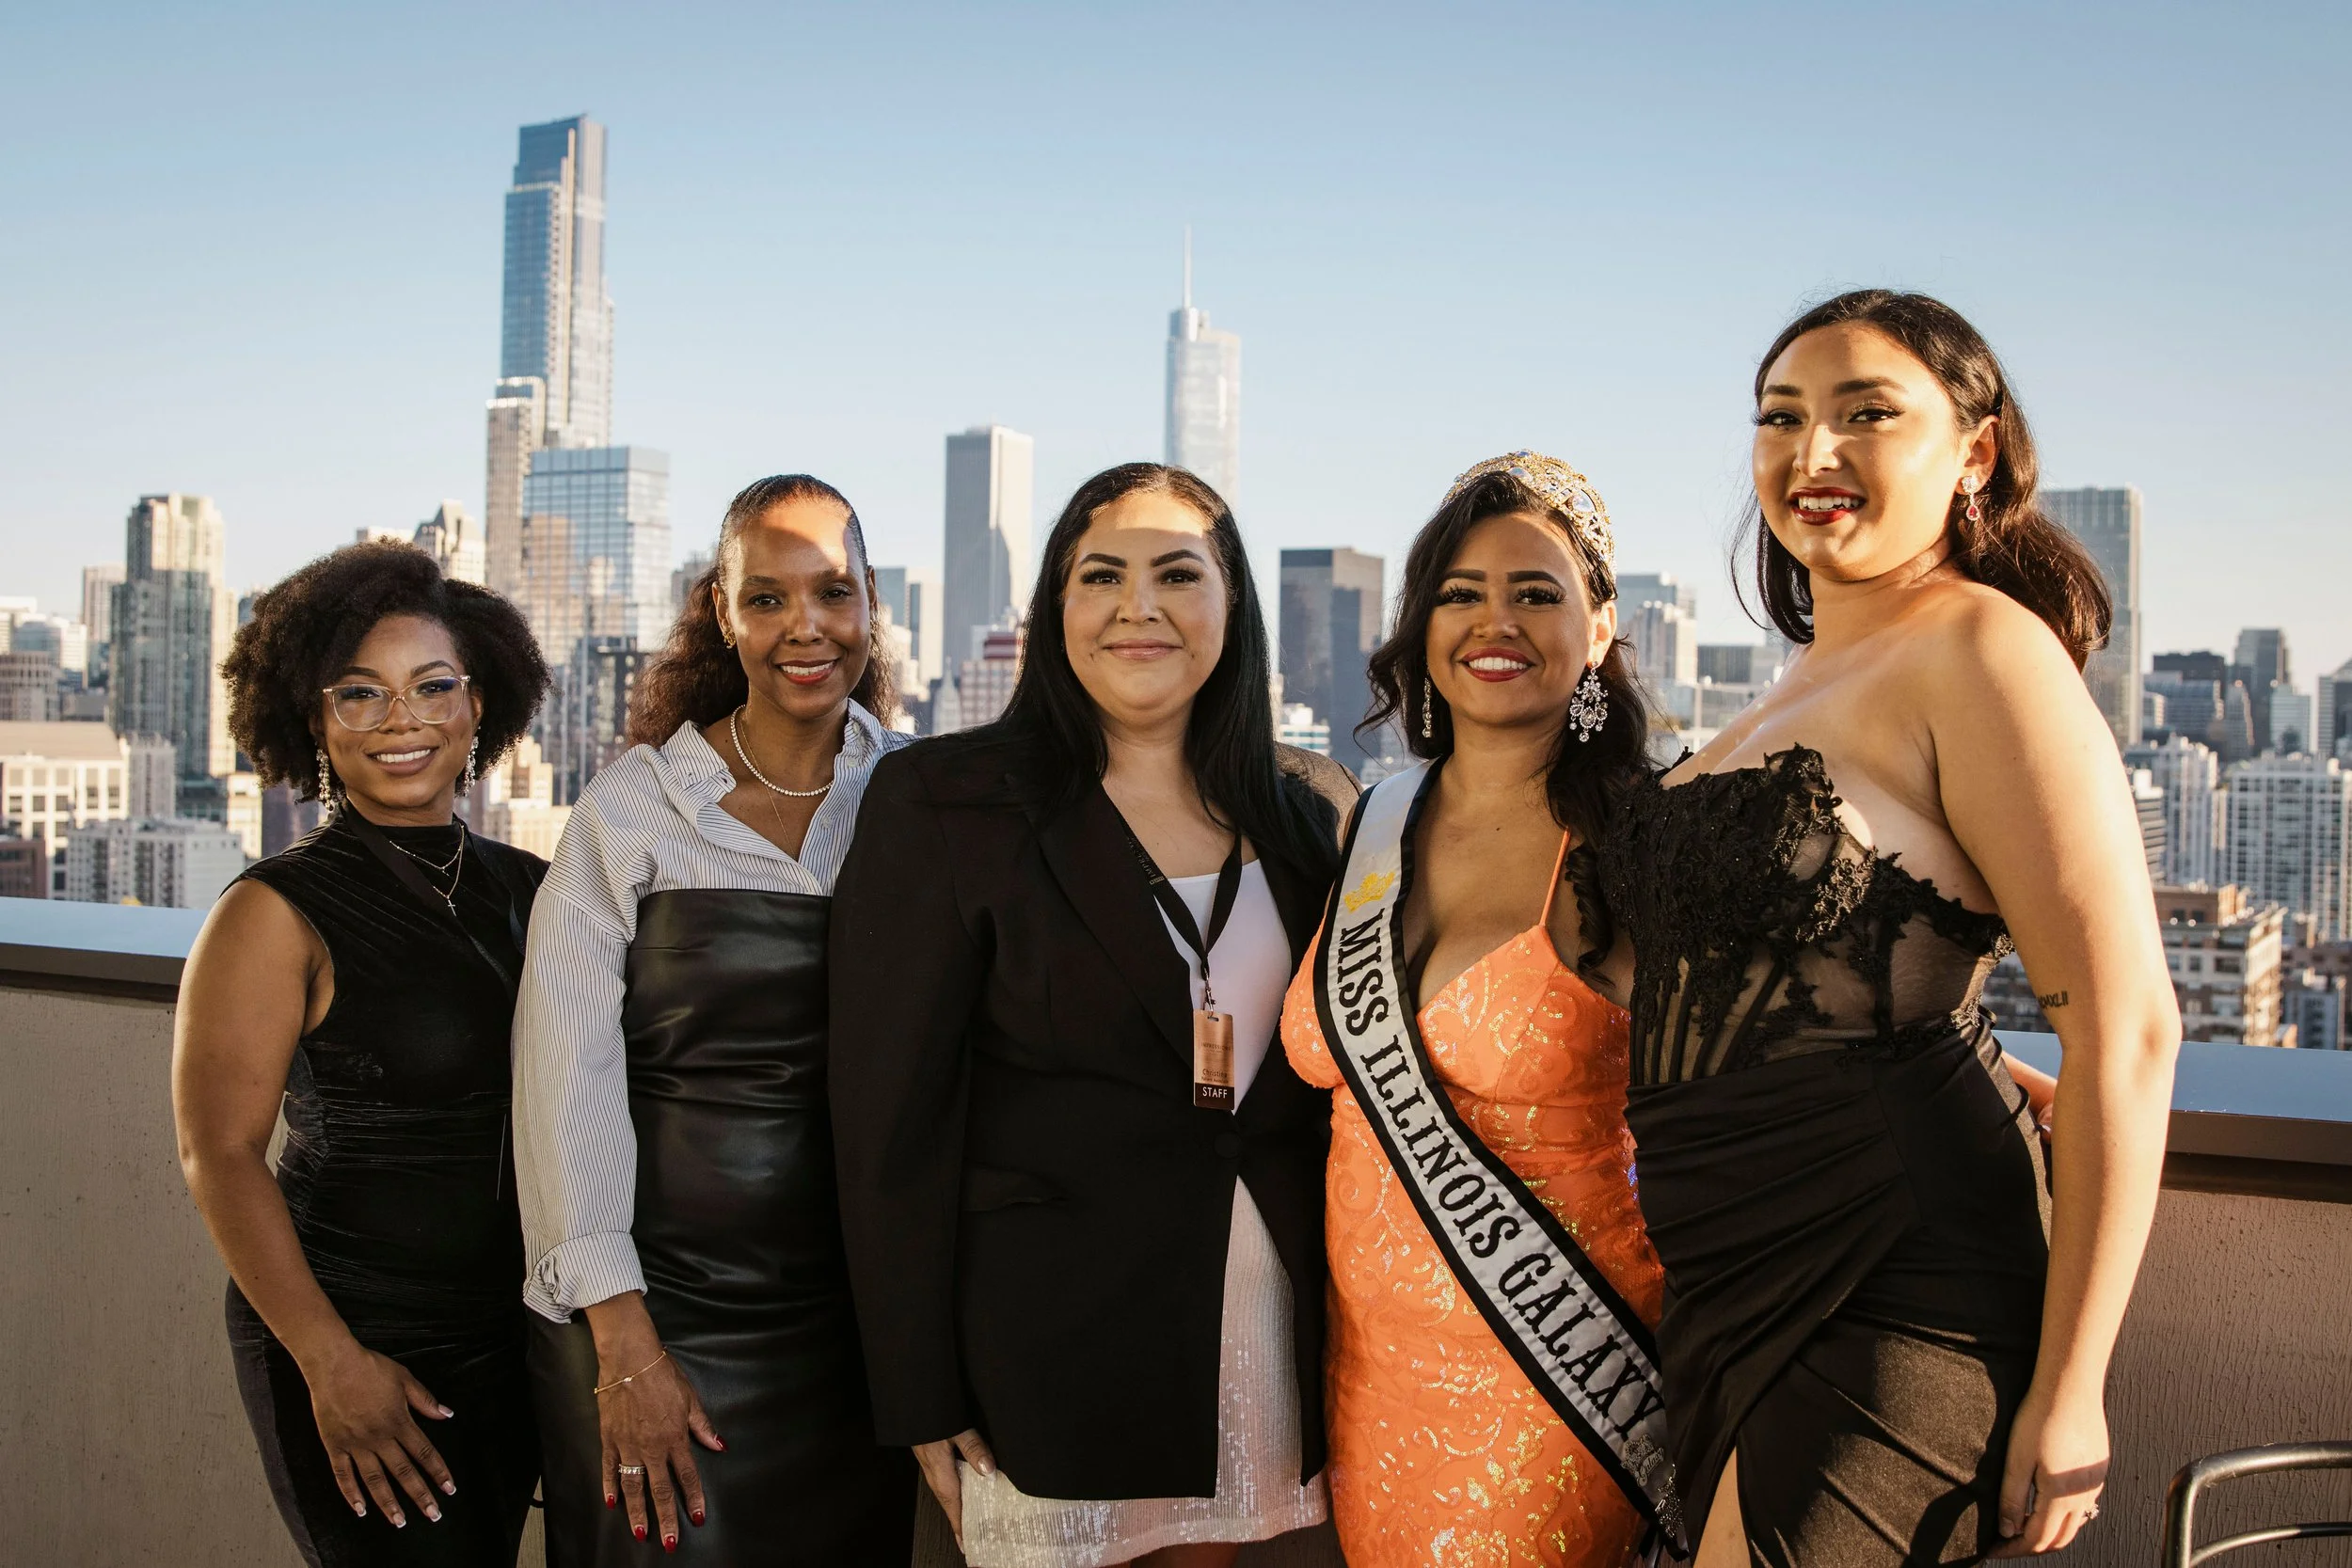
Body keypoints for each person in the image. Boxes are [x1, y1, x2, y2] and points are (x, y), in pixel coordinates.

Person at [1600, 290, 2180, 1568]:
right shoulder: (1790, 681)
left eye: (1869, 414)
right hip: (1727, 1271)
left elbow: (2132, 1026)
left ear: (1974, 451)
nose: (1813, 454)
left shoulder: (1983, 651)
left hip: (1896, 1271)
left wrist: (2075, 1381)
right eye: (1781, 417)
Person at [829, 462, 1354, 1568]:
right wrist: (917, 1386)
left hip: (1253, 1331)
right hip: (1042, 1353)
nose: (1138, 604)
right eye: (1100, 573)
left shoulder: (1304, 820)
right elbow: (889, 1128)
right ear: (1055, 607)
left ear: (1231, 607)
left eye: (1178, 573)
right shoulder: (943, 801)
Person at [511, 474, 915, 1564]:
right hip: (653, 1317)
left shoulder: (920, 803)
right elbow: (563, 1082)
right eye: (768, 597)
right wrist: (623, 1337)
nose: (806, 627)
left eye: (832, 591)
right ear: (721, 609)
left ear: (872, 601)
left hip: (853, 1336)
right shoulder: (631, 811)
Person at [1279, 452, 1674, 1566]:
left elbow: (1794, 1045)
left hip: (1562, 1372)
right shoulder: (1367, 825)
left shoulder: (1645, 840)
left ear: (1599, 626)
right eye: (1460, 592)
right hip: (1366, 1381)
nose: (1492, 620)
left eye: (1536, 592)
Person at [174, 541, 552, 1567]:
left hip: (509, 1341)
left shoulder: (534, 886)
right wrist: (328, 1359)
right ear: (313, 720)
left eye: (434, 688)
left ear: (480, 707)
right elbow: (220, 1153)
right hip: (351, 1335)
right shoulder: (272, 910)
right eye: (360, 694)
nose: (403, 721)